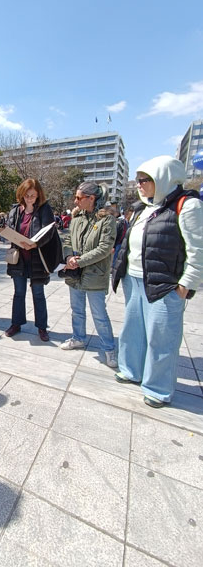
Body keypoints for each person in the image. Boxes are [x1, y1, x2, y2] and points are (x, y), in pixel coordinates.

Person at [112, 156, 203, 408]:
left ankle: (158, 389)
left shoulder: (187, 205)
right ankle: (131, 370)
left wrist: (186, 285)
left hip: (165, 285)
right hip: (135, 279)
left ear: (162, 178)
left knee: (162, 338)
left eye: (144, 180)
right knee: (133, 330)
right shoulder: (145, 207)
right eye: (138, 180)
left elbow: (198, 250)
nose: (139, 184)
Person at [60, 182, 117, 367]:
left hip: (95, 274)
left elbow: (104, 248)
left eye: (79, 198)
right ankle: (78, 338)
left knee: (99, 314)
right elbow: (68, 239)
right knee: (77, 310)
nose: (75, 201)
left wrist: (80, 260)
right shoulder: (76, 218)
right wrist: (68, 255)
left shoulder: (106, 219)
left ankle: (109, 349)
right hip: (75, 273)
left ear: (91, 198)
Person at [5, 178, 56, 342]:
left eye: (32, 196)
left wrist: (35, 244)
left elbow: (49, 232)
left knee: (38, 294)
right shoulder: (15, 211)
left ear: (38, 195)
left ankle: (42, 327)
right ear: (21, 194)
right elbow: (9, 228)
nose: (29, 199)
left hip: (37, 260)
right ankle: (16, 324)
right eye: (26, 195)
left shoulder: (44, 209)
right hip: (19, 259)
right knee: (19, 293)